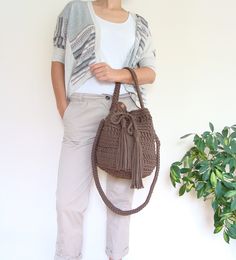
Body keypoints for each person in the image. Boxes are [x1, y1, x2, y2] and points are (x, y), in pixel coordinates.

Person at [51, 0, 157, 259]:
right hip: (83, 109)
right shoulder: (75, 10)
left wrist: (117, 74)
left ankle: (116, 256)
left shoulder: (139, 23)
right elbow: (57, 61)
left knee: (121, 200)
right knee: (68, 201)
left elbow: (150, 73)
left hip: (126, 112)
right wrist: (64, 109)